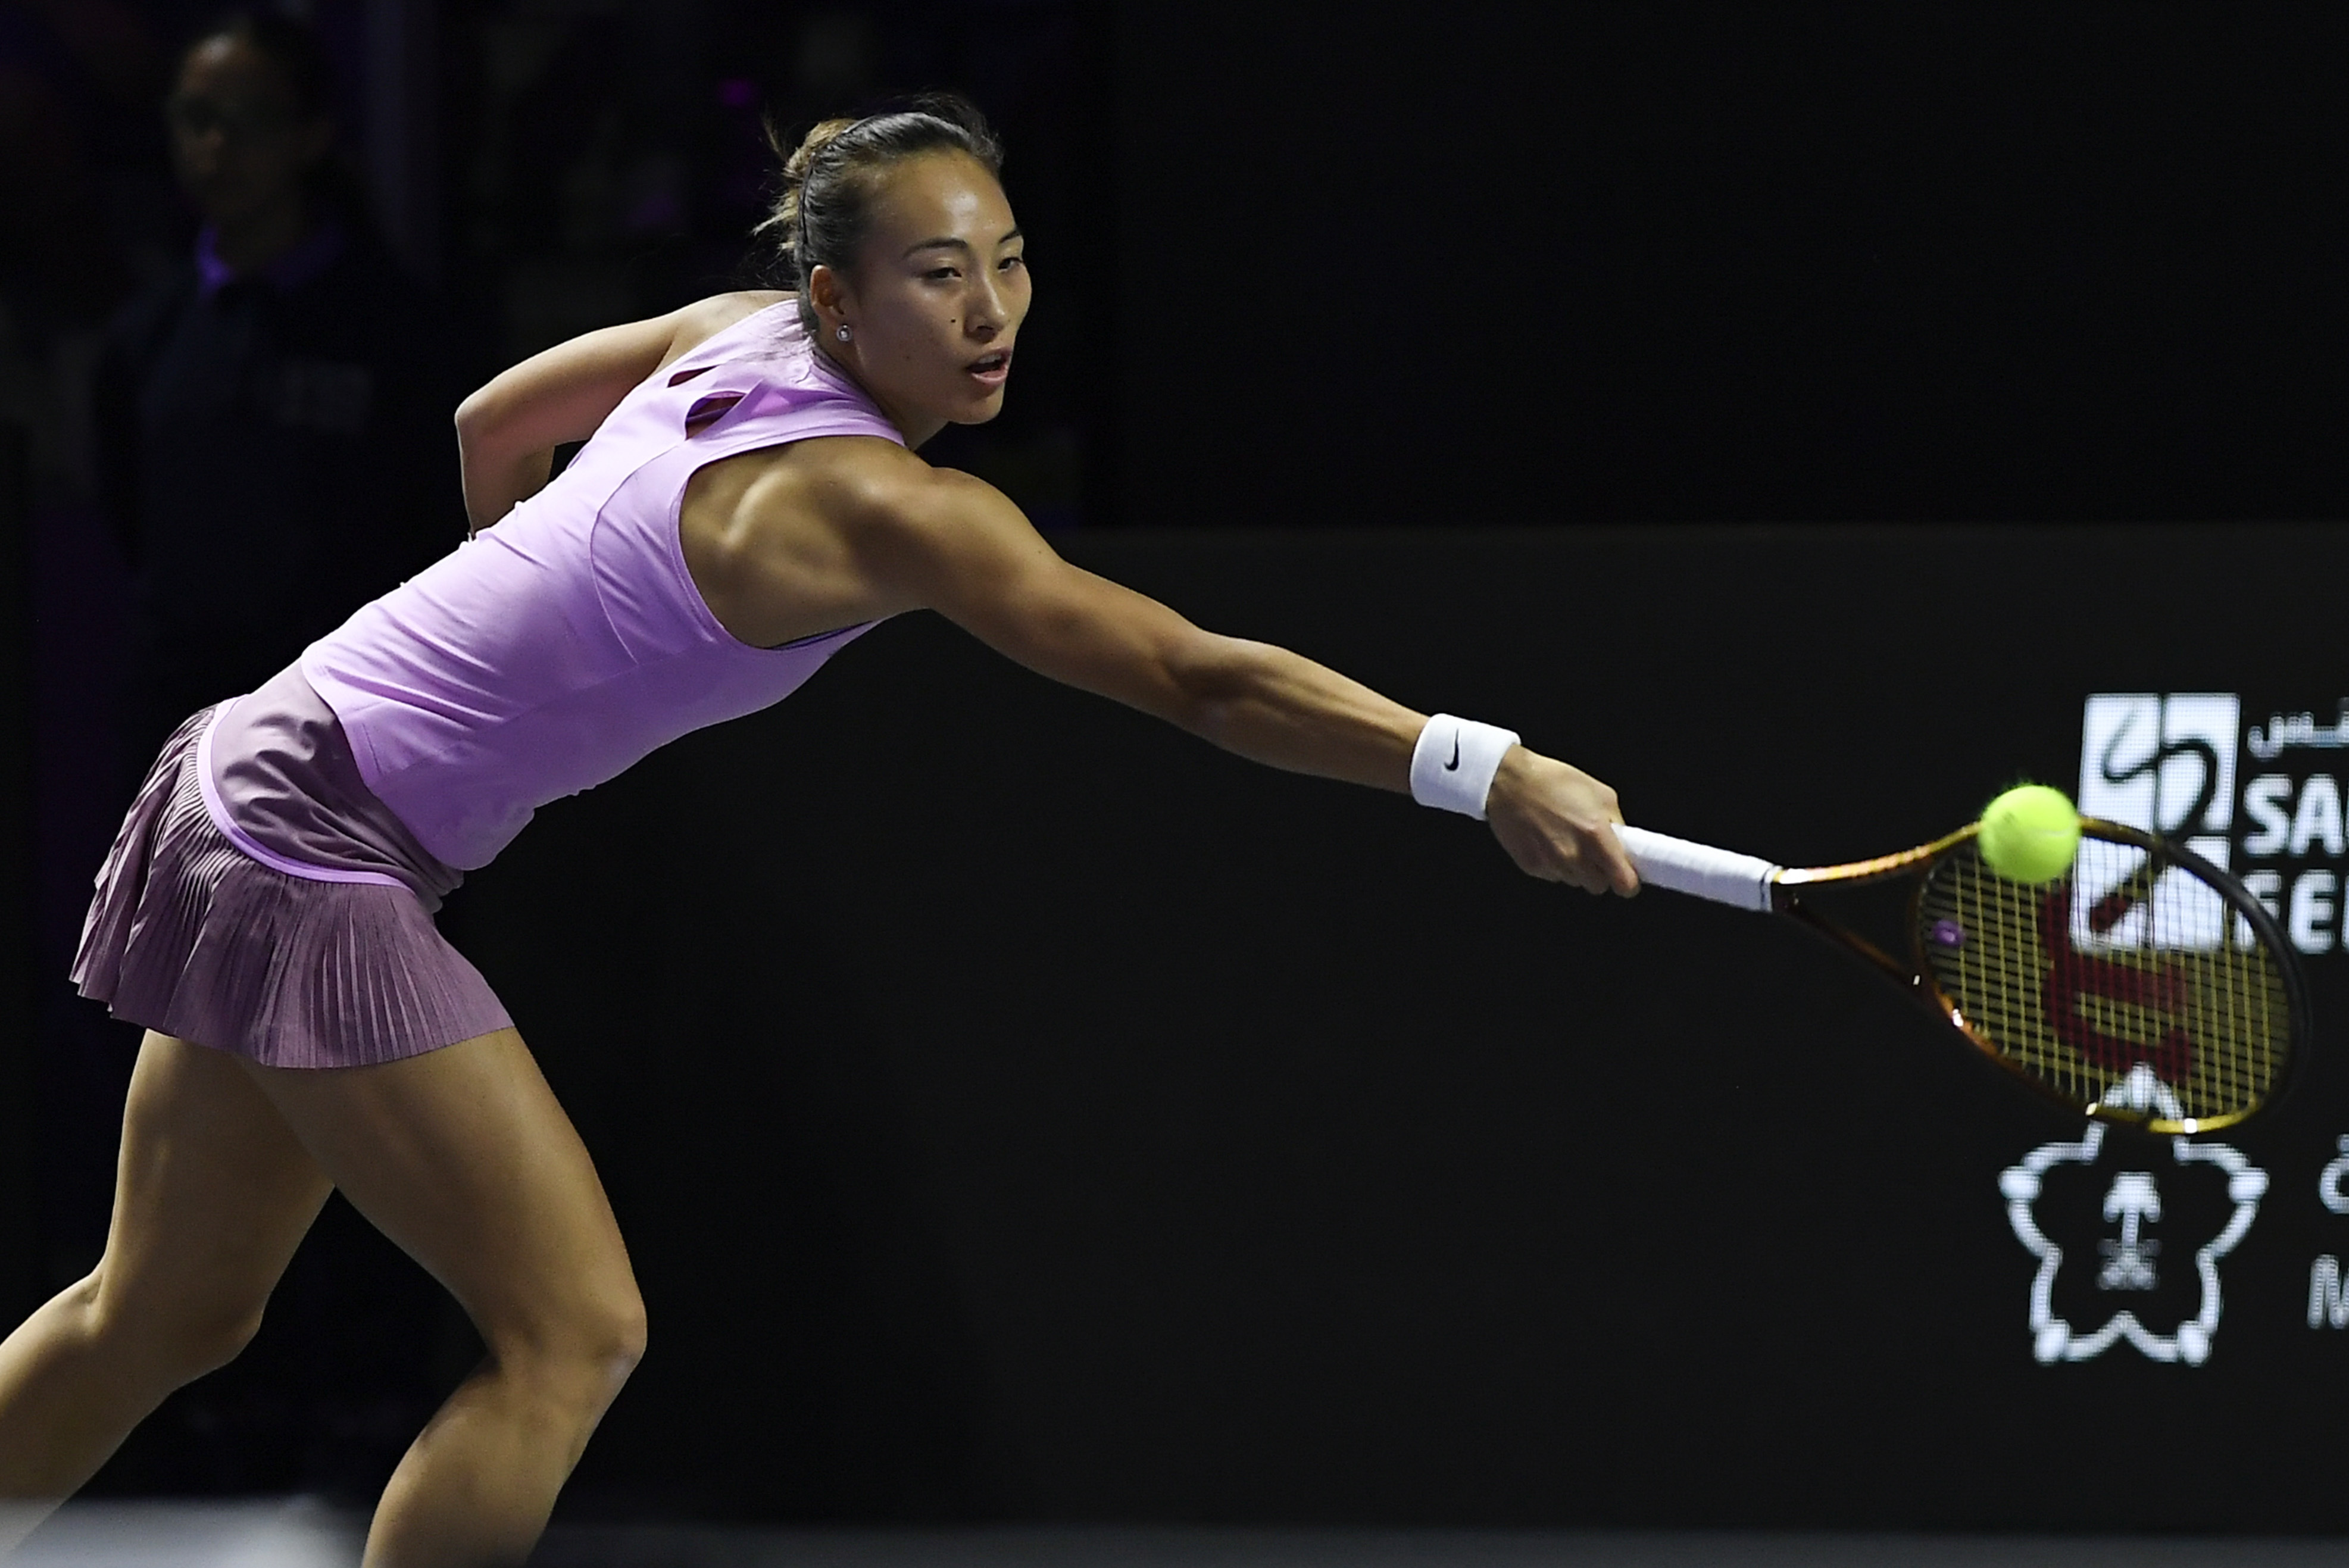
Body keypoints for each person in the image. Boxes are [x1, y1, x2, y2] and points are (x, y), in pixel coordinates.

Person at [0, 96, 1638, 1564]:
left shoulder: (729, 332)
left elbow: (491, 424)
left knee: (163, 1312)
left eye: (1007, 261)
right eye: (938, 275)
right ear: (838, 301)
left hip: (253, 763)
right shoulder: (888, 508)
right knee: (573, 1336)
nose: (990, 312)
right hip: (314, 841)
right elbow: (1196, 679)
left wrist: (517, 627)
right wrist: (1483, 767)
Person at [93, 10, 461, 770]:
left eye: (251, 120)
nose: (217, 148)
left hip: (351, 724)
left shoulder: (395, 331)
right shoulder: (144, 338)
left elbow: (435, 527)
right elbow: (131, 523)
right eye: (197, 118)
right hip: (180, 726)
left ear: (311, 134)